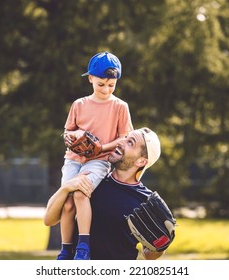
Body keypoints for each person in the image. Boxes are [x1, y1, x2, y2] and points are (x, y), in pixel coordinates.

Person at [44, 127, 165, 260]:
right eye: (125, 137)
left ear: (141, 161)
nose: (120, 142)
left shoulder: (146, 202)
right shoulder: (93, 180)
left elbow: (149, 255)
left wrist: (160, 246)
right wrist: (66, 188)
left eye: (130, 142)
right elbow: (49, 219)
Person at [57, 51, 133, 260]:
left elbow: (125, 139)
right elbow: (68, 131)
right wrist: (71, 137)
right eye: (101, 84)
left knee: (81, 193)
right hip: (73, 159)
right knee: (68, 202)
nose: (106, 89)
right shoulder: (79, 104)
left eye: (111, 85)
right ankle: (65, 249)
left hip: (99, 161)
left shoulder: (120, 107)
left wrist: (102, 148)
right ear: (90, 78)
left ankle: (83, 247)